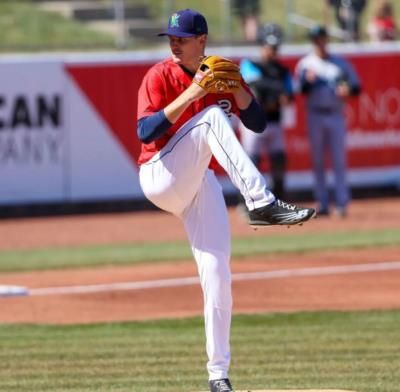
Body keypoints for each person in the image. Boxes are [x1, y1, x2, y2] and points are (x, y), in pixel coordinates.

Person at [136, 9, 315, 392]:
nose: (173, 43)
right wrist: (195, 92)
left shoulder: (220, 72)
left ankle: (218, 376)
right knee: (212, 120)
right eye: (170, 37)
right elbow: (144, 130)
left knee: (218, 276)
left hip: (198, 183)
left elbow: (259, 124)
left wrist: (235, 90)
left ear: (202, 40)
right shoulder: (159, 75)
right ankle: (260, 201)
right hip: (159, 174)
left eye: (181, 38)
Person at [295, 25, 362, 217]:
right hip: (315, 113)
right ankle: (322, 203)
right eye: (316, 39)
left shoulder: (340, 63)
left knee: (339, 160)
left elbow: (356, 88)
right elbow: (298, 90)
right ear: (313, 41)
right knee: (317, 161)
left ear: (326, 39)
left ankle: (342, 203)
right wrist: (307, 82)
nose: (319, 42)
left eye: (322, 38)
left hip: (335, 114)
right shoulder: (306, 64)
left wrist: (348, 91)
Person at [239, 23, 293, 200]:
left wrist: (277, 96)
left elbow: (290, 94)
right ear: (262, 45)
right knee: (251, 162)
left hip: (274, 120)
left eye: (276, 47)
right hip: (252, 121)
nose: (273, 51)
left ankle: (279, 200)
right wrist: (278, 92)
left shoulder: (282, 70)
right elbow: (255, 84)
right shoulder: (250, 63)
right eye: (270, 47)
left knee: (278, 159)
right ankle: (247, 202)